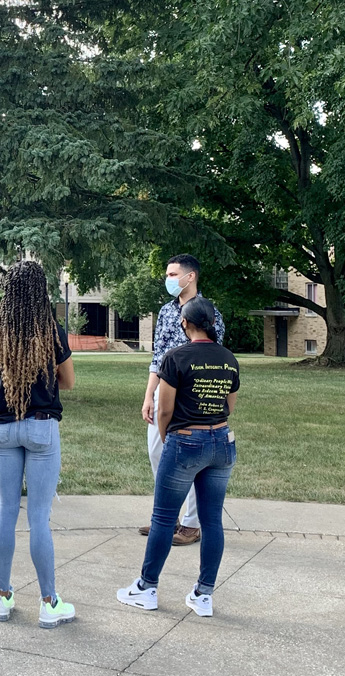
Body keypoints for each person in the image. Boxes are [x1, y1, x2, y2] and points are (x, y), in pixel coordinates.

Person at [118, 297, 240, 617]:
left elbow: (165, 409)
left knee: (162, 518)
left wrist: (167, 436)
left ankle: (146, 587)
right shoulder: (229, 359)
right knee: (212, 520)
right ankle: (203, 595)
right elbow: (230, 404)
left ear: (185, 324)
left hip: (185, 440)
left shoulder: (176, 357)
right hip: (222, 441)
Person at [0, 261, 76, 629]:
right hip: (41, 427)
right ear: (42, 289)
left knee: (6, 510)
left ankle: (2, 596)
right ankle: (48, 602)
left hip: (3, 427)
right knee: (39, 517)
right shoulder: (50, 330)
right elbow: (67, 382)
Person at [140, 254, 226, 546]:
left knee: (187, 455)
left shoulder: (208, 311)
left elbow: (214, 353)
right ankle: (166, 518)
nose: (169, 279)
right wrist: (149, 395)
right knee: (157, 451)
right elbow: (157, 356)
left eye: (173, 274)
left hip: (193, 394)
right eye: (168, 274)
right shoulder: (166, 312)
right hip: (164, 388)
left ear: (190, 277)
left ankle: (191, 524)